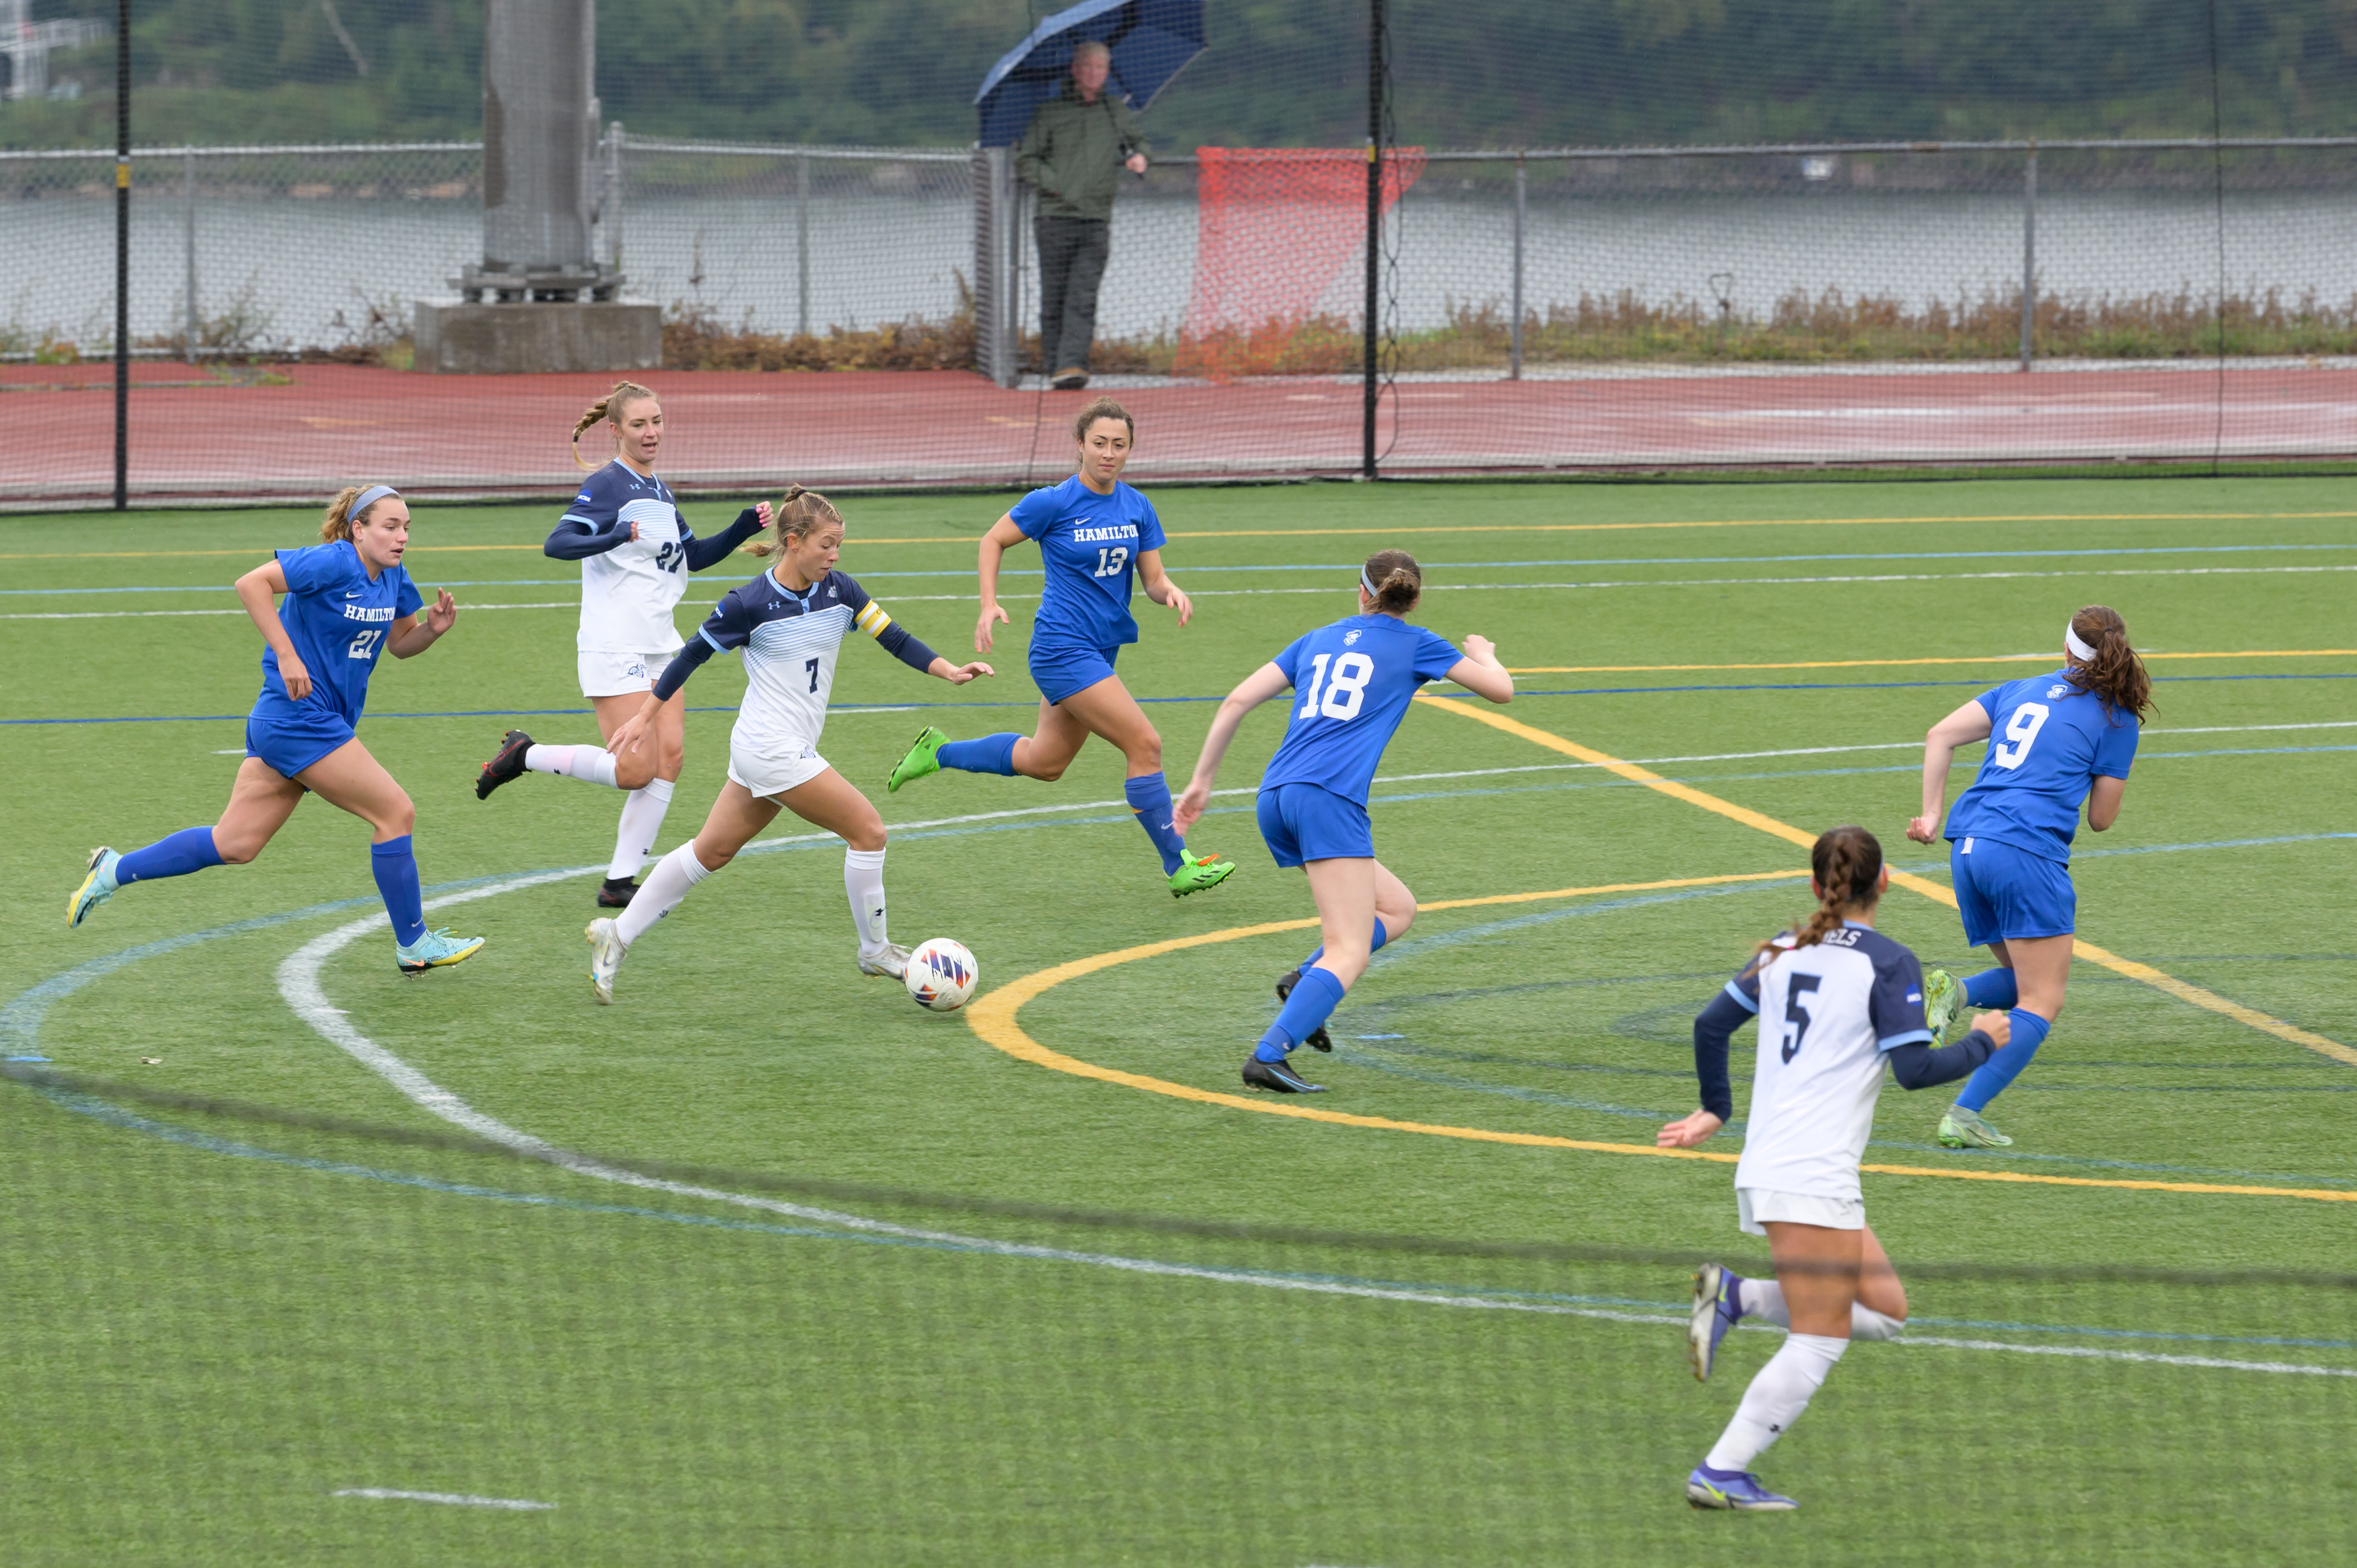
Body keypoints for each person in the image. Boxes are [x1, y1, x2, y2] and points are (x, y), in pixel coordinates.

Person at [1659, 825, 2010, 1511]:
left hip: (1781, 1166)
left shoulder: (1781, 950)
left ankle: (1735, 1297)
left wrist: (1713, 1110)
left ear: (1816, 887)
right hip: (1810, 1174)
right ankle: (1721, 1470)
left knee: (1884, 1310)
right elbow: (1914, 1069)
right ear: (1885, 883)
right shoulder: (1886, 961)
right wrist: (1980, 1043)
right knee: (1818, 1336)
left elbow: (1708, 1025)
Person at [583, 487, 991, 1004]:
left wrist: (948, 669)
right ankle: (875, 949)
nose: (835, 555)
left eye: (838, 545)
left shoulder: (841, 591)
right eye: (827, 544)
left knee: (710, 851)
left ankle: (614, 936)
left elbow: (895, 638)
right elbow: (689, 658)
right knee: (869, 831)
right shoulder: (746, 603)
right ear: (793, 542)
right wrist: (644, 716)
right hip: (770, 748)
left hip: (776, 749)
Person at [66, 486, 483, 974]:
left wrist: (431, 630)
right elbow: (251, 584)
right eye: (390, 526)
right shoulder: (332, 562)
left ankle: (112, 869)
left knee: (235, 843)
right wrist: (286, 653)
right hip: (299, 719)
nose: (402, 536)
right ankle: (414, 945)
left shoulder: (392, 576)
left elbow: (400, 643)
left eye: (407, 527)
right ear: (358, 529)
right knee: (395, 812)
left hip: (290, 722)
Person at [1170, 551, 1515, 1092]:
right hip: (1329, 800)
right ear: (1414, 600)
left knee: (1398, 908)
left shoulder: (1316, 638)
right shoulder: (1418, 642)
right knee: (1349, 948)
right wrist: (1485, 654)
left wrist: (1201, 782)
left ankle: (1305, 979)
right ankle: (1269, 1055)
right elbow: (1502, 690)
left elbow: (1237, 699)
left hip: (1277, 797)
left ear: (1360, 592)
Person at [884, 399, 1233, 897]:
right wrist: (988, 604)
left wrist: (1169, 591)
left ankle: (938, 751)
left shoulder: (1137, 505)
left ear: (1130, 449)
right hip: (1061, 649)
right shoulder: (1054, 502)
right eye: (1099, 443)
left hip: (1101, 649)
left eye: (1119, 445)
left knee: (1045, 763)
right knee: (1145, 744)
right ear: (1080, 445)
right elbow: (992, 540)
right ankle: (1177, 864)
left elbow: (1152, 579)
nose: (1108, 453)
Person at [471, 381, 769, 908]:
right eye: (639, 424)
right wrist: (610, 536)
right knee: (634, 769)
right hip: (614, 643)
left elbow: (693, 556)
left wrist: (742, 526)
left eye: (656, 421)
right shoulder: (609, 484)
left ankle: (619, 882)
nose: (651, 432)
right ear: (615, 430)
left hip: (659, 641)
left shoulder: (659, 489)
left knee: (670, 759)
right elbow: (557, 543)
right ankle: (525, 754)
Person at [1905, 606, 2150, 1150]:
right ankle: (1964, 1113)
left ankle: (1957, 991)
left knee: (2026, 977)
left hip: (1968, 846)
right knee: (2045, 999)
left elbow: (1939, 734)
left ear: (2065, 651)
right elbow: (2102, 820)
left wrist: (1930, 815)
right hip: (2024, 852)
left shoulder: (2020, 688)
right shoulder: (2118, 718)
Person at [1015, 38, 1148, 390]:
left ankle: (1072, 366)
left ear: (1107, 72)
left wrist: (1138, 156)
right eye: (1086, 66)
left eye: (1100, 67)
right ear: (1074, 71)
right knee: (1054, 295)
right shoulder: (1050, 112)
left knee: (1084, 296)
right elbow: (1027, 159)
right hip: (1054, 218)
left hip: (1096, 220)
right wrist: (1058, 187)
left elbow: (1138, 141)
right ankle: (1054, 363)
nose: (1093, 73)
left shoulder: (1114, 111)